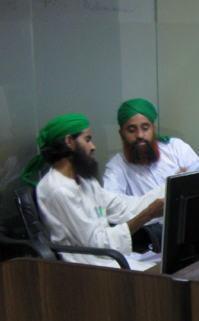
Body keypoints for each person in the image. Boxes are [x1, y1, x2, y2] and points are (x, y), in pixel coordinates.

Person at [32, 113, 165, 271]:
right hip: (86, 268)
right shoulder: (58, 189)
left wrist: (168, 189)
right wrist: (147, 215)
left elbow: (122, 208)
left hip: (107, 259)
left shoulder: (85, 180)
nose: (93, 146)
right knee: (164, 278)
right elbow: (96, 243)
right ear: (69, 142)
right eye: (87, 140)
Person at [103, 98, 199, 196]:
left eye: (145, 128)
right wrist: (172, 187)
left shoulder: (176, 148)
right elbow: (113, 206)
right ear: (121, 134)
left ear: (153, 129)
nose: (140, 135)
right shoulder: (117, 166)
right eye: (132, 130)